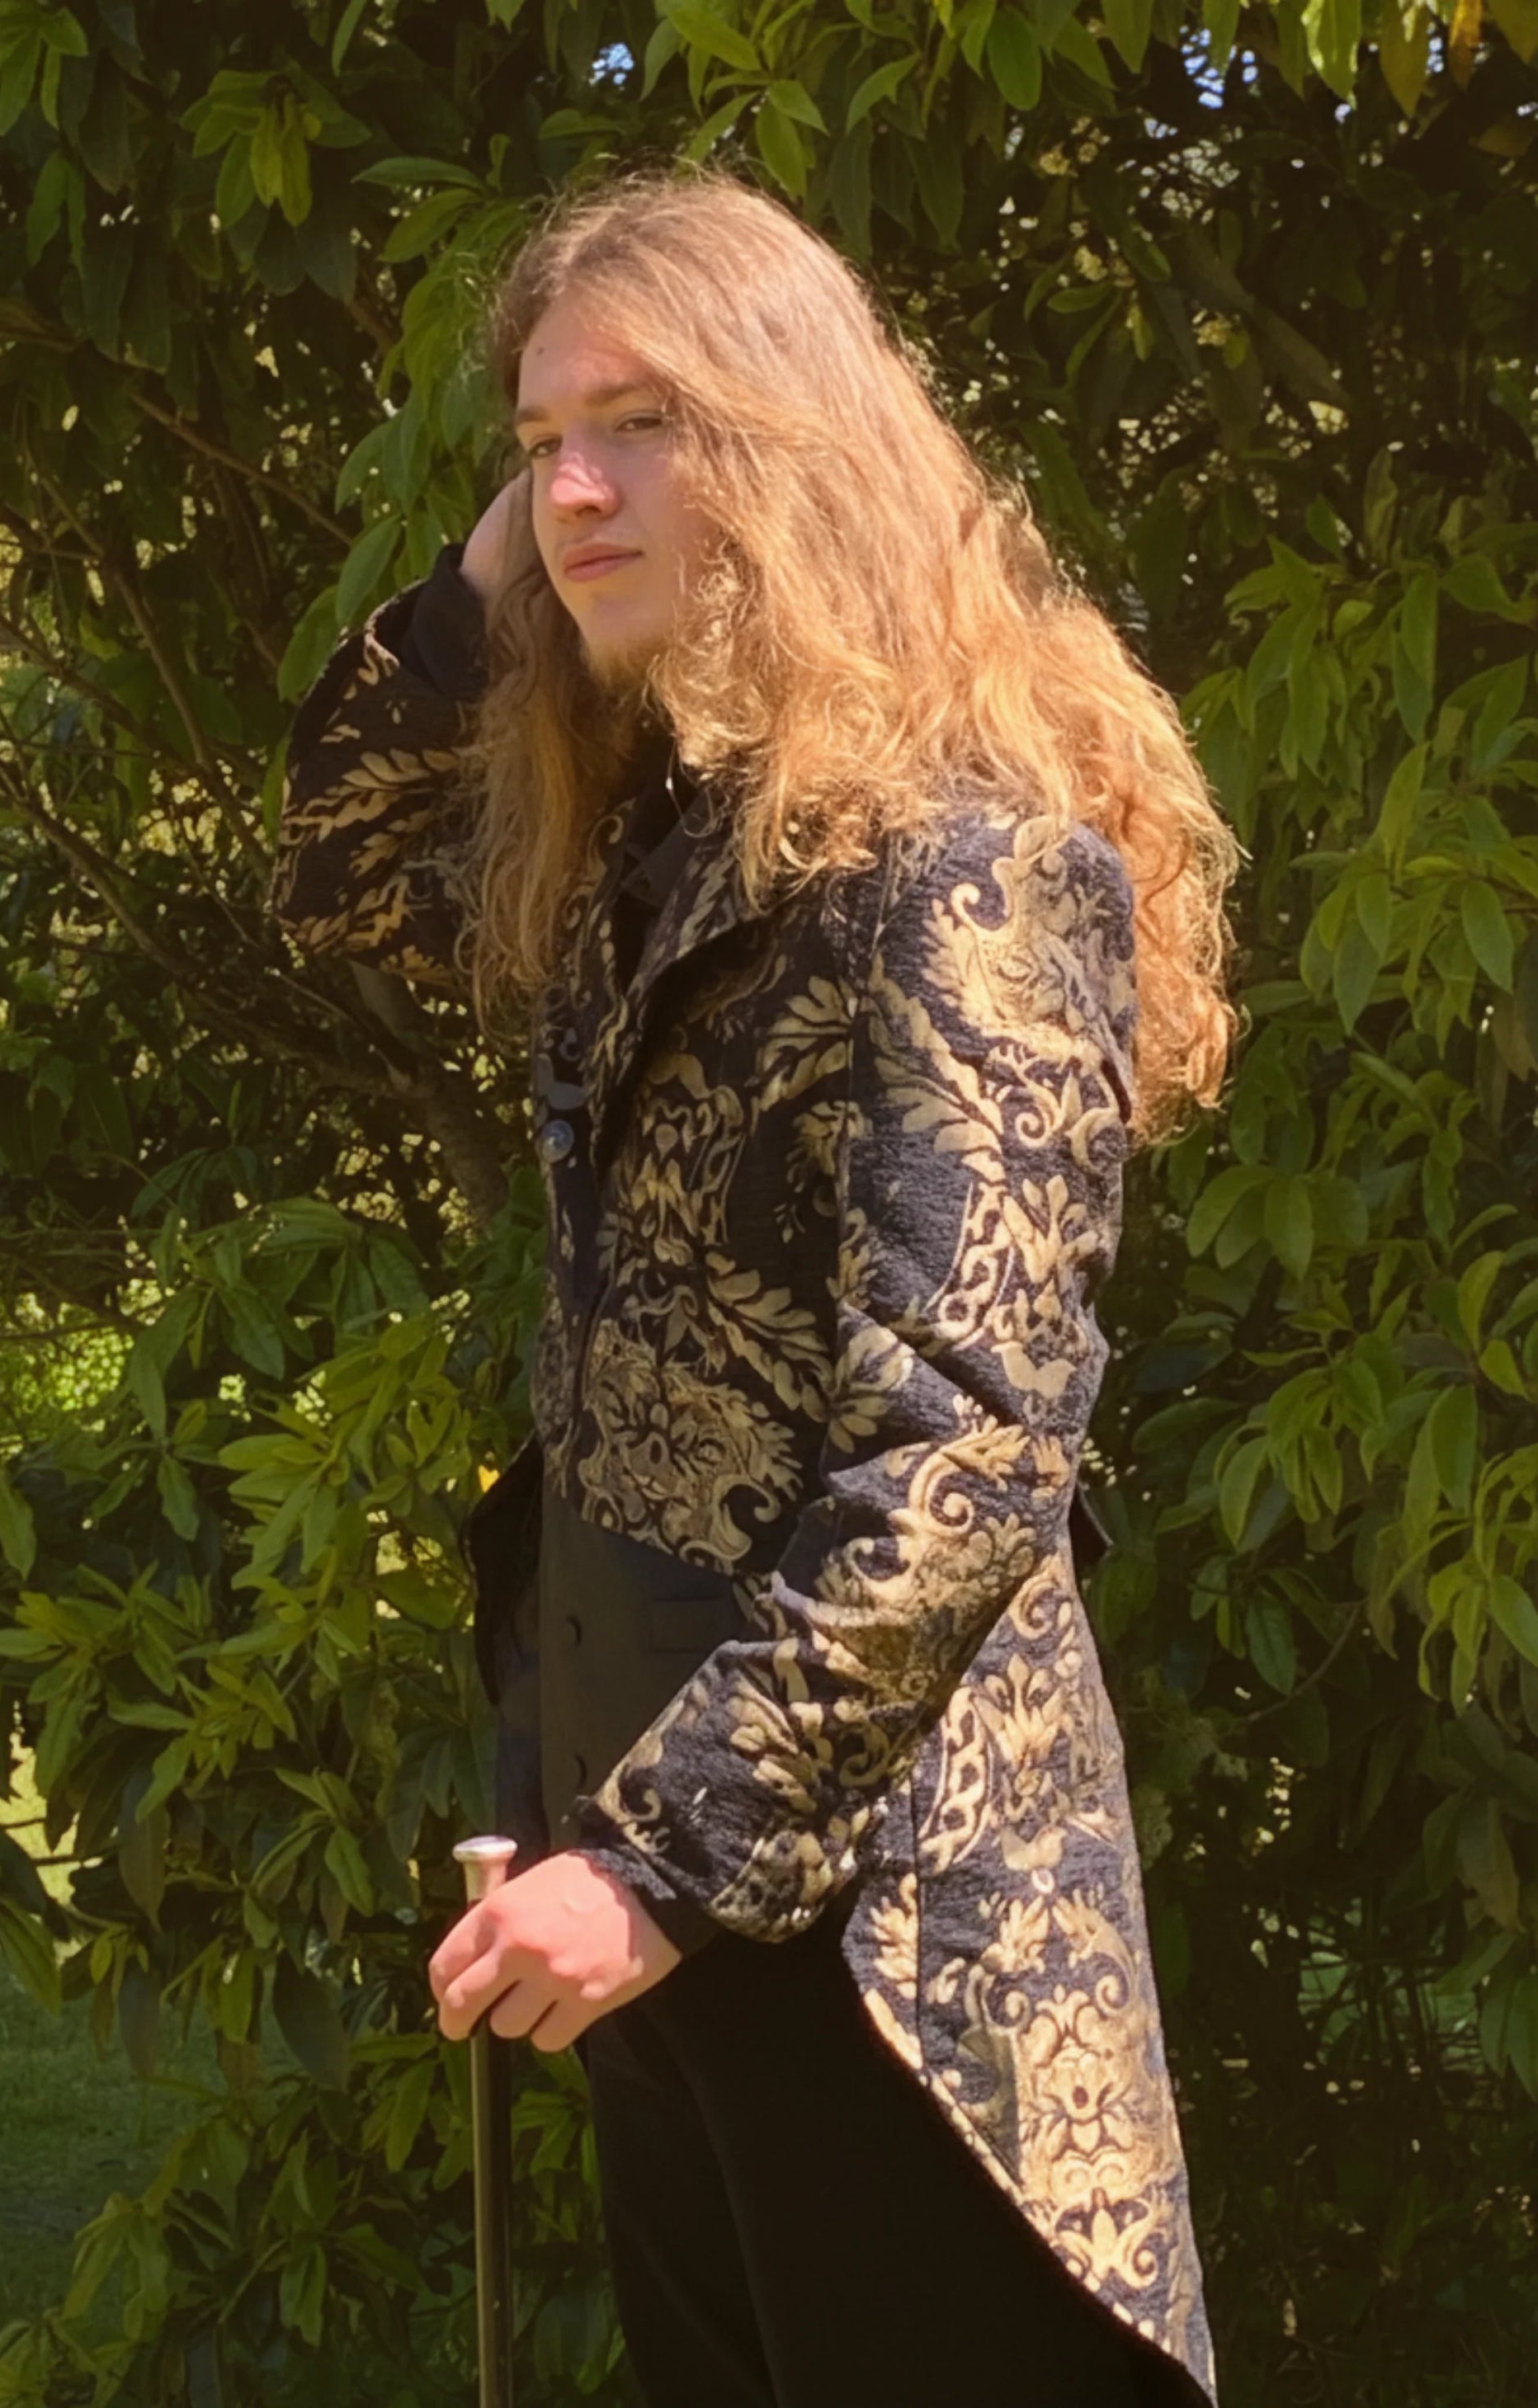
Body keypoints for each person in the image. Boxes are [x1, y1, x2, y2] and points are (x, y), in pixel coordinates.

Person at [271, 163, 1238, 2408]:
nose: (580, 485)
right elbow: (327, 881)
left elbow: (966, 1454)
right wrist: (505, 556)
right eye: (539, 440)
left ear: (795, 442)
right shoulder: (646, 843)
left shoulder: (964, 867)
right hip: (661, 1877)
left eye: (644, 422)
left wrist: (659, 1868)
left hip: (896, 1952)